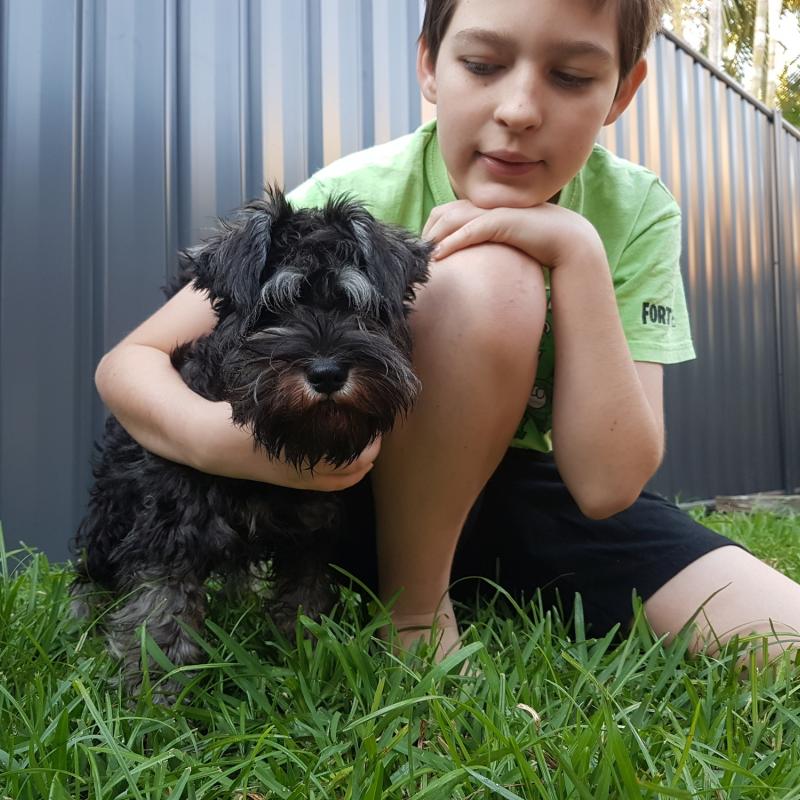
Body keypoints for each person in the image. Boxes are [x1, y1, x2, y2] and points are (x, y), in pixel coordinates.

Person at [96, 0, 800, 663]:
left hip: (527, 495)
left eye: (572, 75)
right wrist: (221, 444)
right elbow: (131, 361)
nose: (520, 110)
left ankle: (476, 581)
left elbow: (608, 486)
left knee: (779, 638)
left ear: (622, 90)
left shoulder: (636, 210)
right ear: (429, 64)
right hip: (357, 492)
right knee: (492, 277)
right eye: (484, 65)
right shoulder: (356, 195)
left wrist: (577, 253)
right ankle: (414, 611)